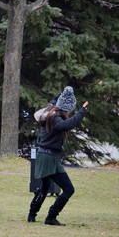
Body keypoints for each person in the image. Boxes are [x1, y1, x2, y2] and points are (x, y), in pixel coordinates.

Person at [27, 86, 88, 226]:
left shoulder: (50, 112)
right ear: (67, 108)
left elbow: (54, 101)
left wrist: (63, 93)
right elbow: (67, 125)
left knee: (44, 186)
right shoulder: (56, 118)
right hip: (49, 158)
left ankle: (31, 215)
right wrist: (82, 111)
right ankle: (51, 216)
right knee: (69, 189)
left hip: (44, 155)